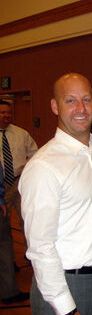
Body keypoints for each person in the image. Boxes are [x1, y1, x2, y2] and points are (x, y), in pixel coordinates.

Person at [19, 73, 92, 315]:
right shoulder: (44, 166)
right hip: (64, 287)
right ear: (54, 106)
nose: (80, 108)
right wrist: (67, 311)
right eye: (70, 101)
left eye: (86, 99)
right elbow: (40, 247)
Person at [0, 100, 37, 251]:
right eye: (3, 113)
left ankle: (32, 254)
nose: (7, 115)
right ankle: (7, 260)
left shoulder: (21, 134)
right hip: (1, 185)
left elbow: (35, 154)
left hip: (19, 182)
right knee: (3, 224)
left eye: (9, 112)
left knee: (27, 219)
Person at [0, 163, 29, 304]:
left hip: (17, 180)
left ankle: (8, 289)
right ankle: (8, 290)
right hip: (5, 187)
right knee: (4, 244)